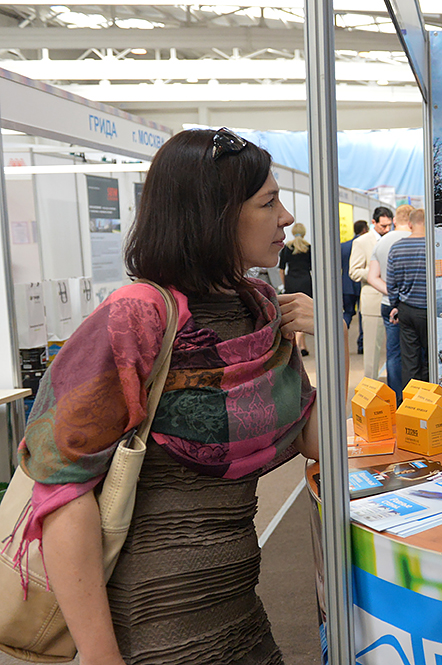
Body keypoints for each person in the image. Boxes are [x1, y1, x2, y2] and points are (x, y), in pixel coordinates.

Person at [19, 128, 319, 665]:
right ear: (214, 214)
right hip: (154, 627)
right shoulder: (135, 318)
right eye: (268, 202)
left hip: (240, 613)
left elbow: (313, 439)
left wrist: (332, 337)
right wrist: (99, 654)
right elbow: (62, 491)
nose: (286, 218)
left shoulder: (260, 310)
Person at [366, 204, 414, 404]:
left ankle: (396, 400)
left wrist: (392, 292)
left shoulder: (382, 242)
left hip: (387, 304)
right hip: (412, 305)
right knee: (414, 352)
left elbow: (372, 277)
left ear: (395, 220)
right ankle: (414, 398)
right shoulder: (415, 240)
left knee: (393, 354)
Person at [386, 208, 429, 385]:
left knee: (410, 361)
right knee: (430, 359)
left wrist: (395, 305)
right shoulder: (432, 246)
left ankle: (411, 405)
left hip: (407, 311)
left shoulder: (396, 247)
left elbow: (391, 283)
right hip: (429, 311)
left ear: (410, 224)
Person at [350, 206, 393, 376]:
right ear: (373, 222)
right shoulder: (361, 242)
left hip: (394, 302)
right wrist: (375, 273)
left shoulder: (393, 239)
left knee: (396, 351)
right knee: (371, 353)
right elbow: (353, 271)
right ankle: (371, 391)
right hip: (373, 302)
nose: (387, 229)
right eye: (383, 226)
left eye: (389, 225)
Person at [279, 221, 313, 353]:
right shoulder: (308, 248)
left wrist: (285, 283)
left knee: (293, 313)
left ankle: (299, 345)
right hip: (305, 281)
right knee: (303, 312)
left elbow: (281, 269)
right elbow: (312, 268)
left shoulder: (286, 248)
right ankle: (301, 345)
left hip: (291, 281)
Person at [342, 220, 367, 335]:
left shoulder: (343, 246)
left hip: (347, 285)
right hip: (362, 283)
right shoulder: (366, 245)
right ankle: (361, 343)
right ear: (364, 230)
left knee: (347, 313)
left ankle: (341, 336)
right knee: (363, 314)